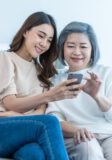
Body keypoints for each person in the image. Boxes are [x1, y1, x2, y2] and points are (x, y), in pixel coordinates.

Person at [0, 12, 82, 160]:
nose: (44, 43)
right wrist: (50, 95)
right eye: (41, 35)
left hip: (22, 132)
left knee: (34, 154)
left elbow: (40, 112)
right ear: (26, 31)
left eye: (49, 40)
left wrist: (17, 116)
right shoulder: (4, 58)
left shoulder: (41, 71)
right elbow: (10, 103)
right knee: (51, 122)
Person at [46, 21, 112, 160]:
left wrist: (97, 96)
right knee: (90, 149)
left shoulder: (107, 73)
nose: (77, 52)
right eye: (70, 46)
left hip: (109, 134)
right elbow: (54, 121)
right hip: (78, 136)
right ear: (62, 49)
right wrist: (77, 130)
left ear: (92, 49)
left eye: (83, 46)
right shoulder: (55, 81)